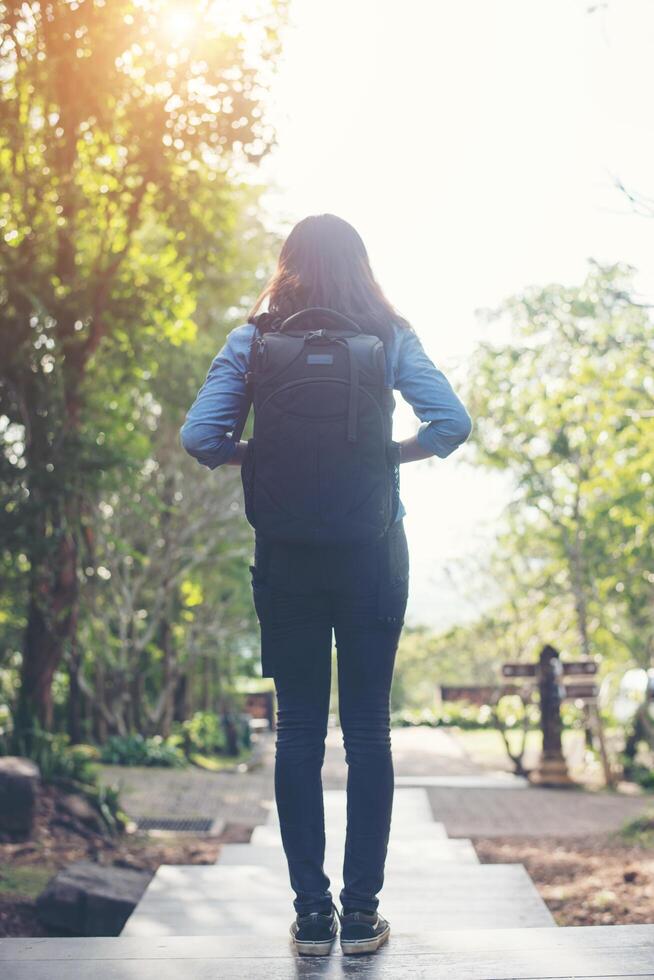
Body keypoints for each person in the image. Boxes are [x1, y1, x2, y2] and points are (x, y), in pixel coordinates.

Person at [180, 213, 472, 956]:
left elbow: (201, 439)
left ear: (287, 264)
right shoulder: (388, 334)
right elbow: (451, 423)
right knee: (369, 731)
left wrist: (268, 458)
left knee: (299, 733)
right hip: (375, 552)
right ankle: (363, 915)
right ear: (360, 265)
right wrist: (383, 458)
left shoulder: (253, 341)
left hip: (288, 559)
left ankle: (312, 918)